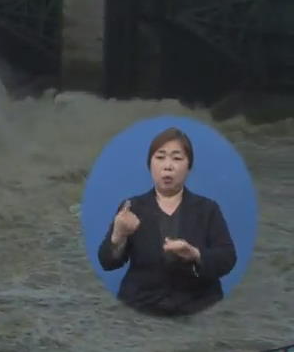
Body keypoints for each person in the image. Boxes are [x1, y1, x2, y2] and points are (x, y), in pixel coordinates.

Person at [96, 127, 237, 316]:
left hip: (198, 307)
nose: (167, 166)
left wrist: (195, 254)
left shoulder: (207, 209)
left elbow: (227, 258)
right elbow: (107, 262)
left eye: (177, 158)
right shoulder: (132, 207)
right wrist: (118, 234)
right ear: (150, 164)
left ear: (189, 166)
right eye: (160, 157)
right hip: (141, 308)